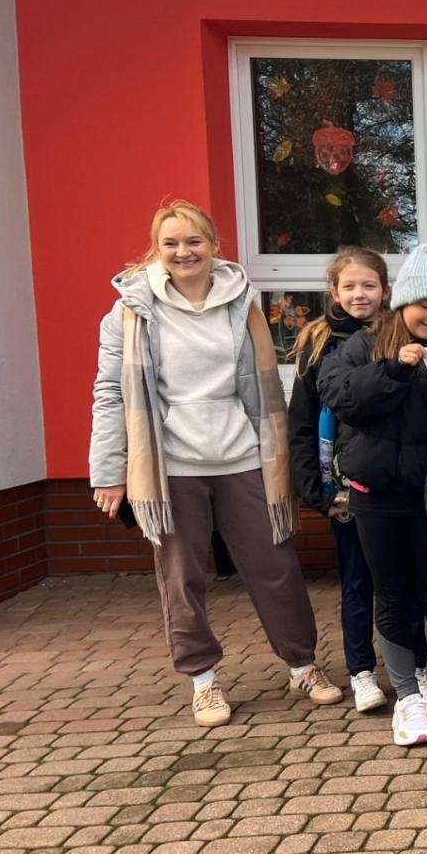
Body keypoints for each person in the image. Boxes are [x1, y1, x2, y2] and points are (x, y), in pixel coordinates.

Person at [89, 200, 342, 727]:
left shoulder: (241, 300)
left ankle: (302, 664)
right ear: (157, 250)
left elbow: (264, 385)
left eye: (194, 242)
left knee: (275, 567)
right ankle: (203, 680)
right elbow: (110, 392)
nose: (184, 252)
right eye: (171, 243)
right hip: (171, 465)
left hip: (243, 455)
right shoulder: (130, 311)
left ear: (213, 246)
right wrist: (109, 471)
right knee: (182, 577)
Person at [319, 244, 427, 747]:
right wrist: (395, 369)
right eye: (426, 304)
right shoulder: (361, 346)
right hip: (374, 500)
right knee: (391, 596)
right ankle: (407, 696)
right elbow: (342, 398)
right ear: (402, 301)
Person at [288, 247, 427, 714]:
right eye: (349, 286)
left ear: (386, 290)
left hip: (395, 483)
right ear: (334, 291)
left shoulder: (399, 334)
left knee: (404, 583)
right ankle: (362, 670)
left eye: (369, 285)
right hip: (345, 486)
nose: (359, 294)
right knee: (356, 582)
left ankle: (414, 667)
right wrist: (315, 489)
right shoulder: (317, 343)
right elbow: (302, 420)